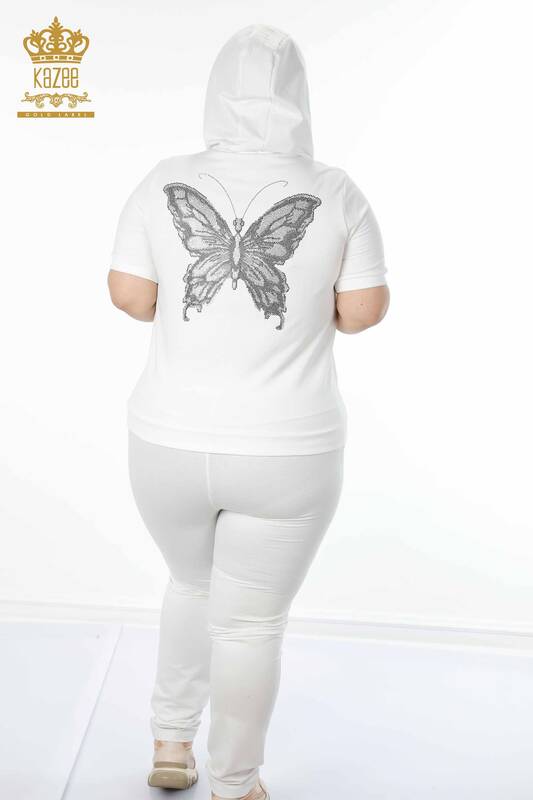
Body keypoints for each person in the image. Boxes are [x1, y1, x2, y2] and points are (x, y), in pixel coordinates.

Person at [107, 23, 389, 800]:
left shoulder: (163, 180)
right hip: (287, 449)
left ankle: (171, 742)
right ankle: (235, 783)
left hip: (164, 442)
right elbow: (362, 312)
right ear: (299, 100)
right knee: (248, 624)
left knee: (190, 584)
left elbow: (129, 295)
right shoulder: (336, 191)